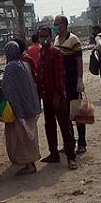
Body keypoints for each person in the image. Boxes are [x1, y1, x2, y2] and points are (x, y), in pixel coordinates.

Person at [36, 27, 77, 168]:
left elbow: (60, 76)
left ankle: (71, 157)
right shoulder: (42, 53)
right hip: (46, 96)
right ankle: (54, 154)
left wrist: (59, 95)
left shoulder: (55, 52)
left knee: (65, 126)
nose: (43, 39)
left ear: (51, 37)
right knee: (50, 126)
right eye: (41, 36)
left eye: (45, 36)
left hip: (56, 96)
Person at [1, 41, 42, 175]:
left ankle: (29, 165)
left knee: (21, 138)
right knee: (30, 136)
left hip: (18, 110)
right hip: (30, 107)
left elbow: (10, 90)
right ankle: (31, 162)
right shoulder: (24, 65)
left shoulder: (10, 68)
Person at [52, 15, 87, 161]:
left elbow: (79, 61)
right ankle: (69, 142)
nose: (55, 27)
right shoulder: (55, 41)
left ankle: (82, 142)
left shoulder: (74, 40)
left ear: (64, 25)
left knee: (78, 113)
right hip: (61, 83)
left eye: (57, 24)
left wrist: (80, 80)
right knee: (64, 115)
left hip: (73, 81)